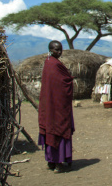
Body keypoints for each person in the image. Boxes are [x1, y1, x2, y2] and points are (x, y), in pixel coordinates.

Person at [38, 40, 75, 173]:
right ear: (50, 49)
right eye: (56, 50)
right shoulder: (53, 65)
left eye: (60, 49)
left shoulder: (50, 63)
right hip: (57, 107)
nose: (59, 52)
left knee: (51, 129)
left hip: (51, 105)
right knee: (58, 131)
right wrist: (69, 80)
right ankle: (57, 162)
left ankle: (51, 162)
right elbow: (61, 83)